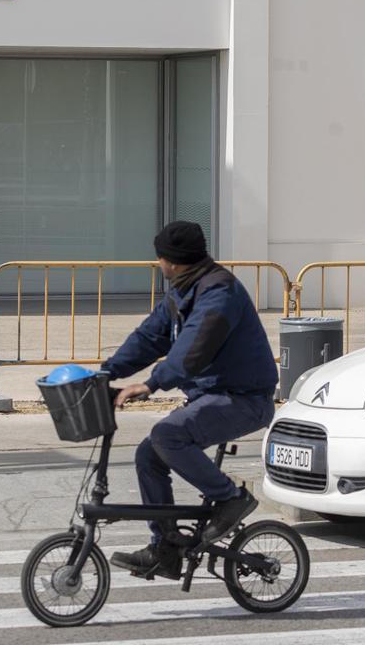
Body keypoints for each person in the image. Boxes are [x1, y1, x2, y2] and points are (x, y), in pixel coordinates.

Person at [102, 221, 278, 580]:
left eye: (160, 259)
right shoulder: (183, 291)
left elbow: (193, 349)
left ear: (174, 262)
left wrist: (151, 384)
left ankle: (230, 498)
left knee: (168, 435)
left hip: (244, 399)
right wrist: (106, 373)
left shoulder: (219, 293)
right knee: (147, 454)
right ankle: (164, 549)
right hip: (210, 396)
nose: (159, 265)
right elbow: (149, 338)